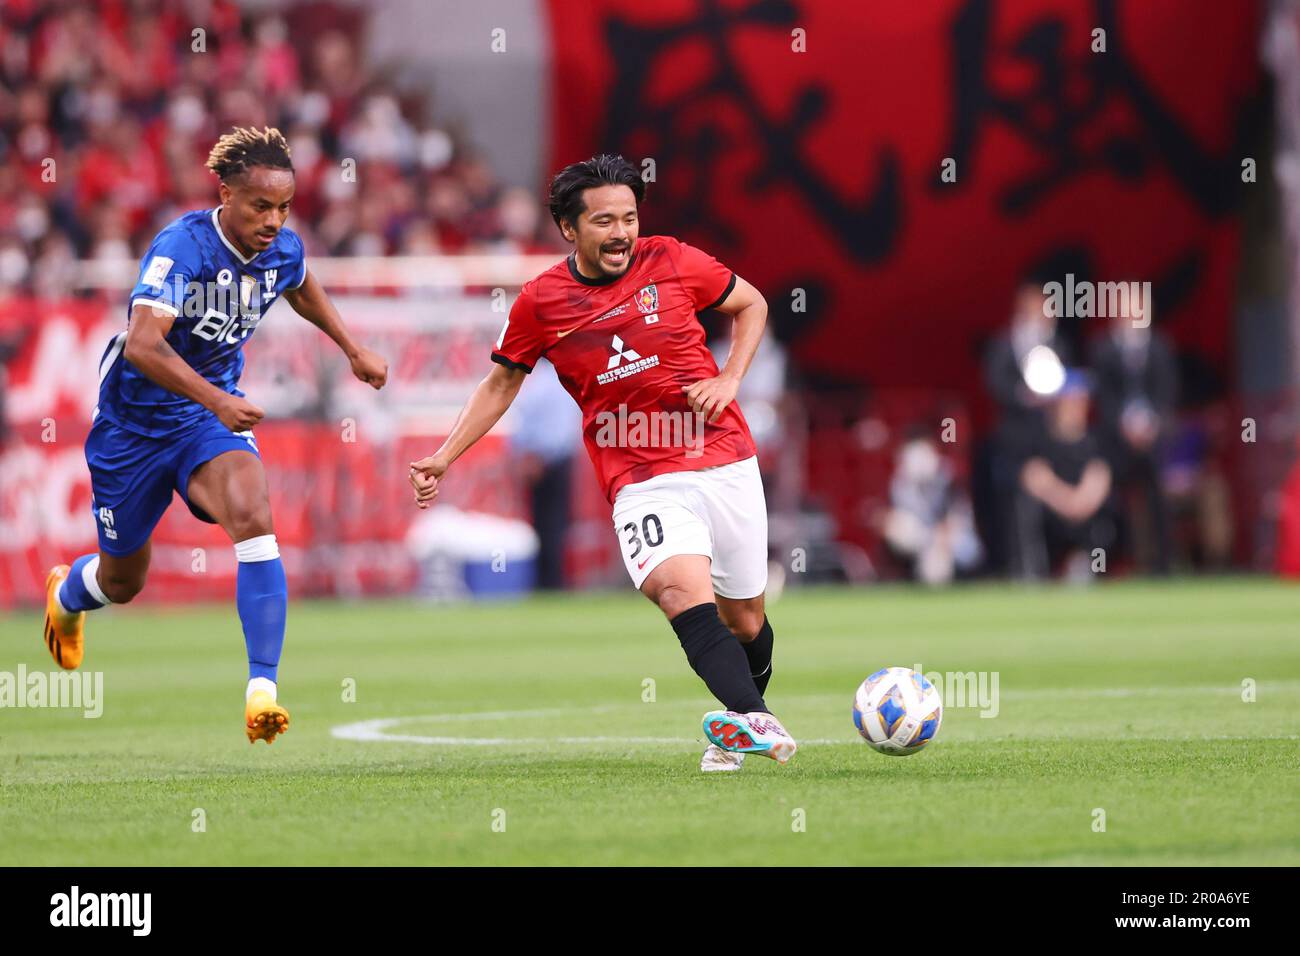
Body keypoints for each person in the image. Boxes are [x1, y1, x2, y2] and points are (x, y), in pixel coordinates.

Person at [409, 154, 794, 771]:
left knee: (745, 620)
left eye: (629, 218)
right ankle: (758, 722)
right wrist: (444, 457)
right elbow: (501, 383)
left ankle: (738, 723)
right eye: (604, 222)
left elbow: (752, 304)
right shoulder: (541, 302)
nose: (621, 233)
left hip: (722, 457)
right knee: (677, 590)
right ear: (569, 228)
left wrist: (729, 377)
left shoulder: (670, 259)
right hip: (640, 478)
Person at [41, 127, 388, 744]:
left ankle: (262, 694)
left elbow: (300, 281)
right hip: (132, 428)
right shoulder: (182, 249)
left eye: (283, 208)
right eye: (260, 206)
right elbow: (144, 346)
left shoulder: (280, 248)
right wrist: (219, 398)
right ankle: (67, 596)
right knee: (124, 582)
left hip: (203, 425)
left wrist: (352, 346)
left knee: (255, 515)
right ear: (225, 193)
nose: (273, 221)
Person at [1089, 309, 1178, 573]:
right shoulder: (1102, 349)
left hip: (1154, 439)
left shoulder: (1160, 347)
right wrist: (1124, 426)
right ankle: (1110, 561)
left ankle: (1164, 564)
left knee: (1159, 496)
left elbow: (1168, 391)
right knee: (1107, 496)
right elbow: (1103, 396)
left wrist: (1152, 425)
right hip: (1116, 440)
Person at [1014, 371, 1114, 580]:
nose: (1076, 406)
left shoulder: (1097, 441)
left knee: (1106, 518)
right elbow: (1034, 476)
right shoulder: (1039, 440)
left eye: (1081, 399)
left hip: (1087, 513)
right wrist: (1065, 500)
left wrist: (1080, 502)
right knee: (1027, 508)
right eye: (1071, 399)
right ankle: (1034, 570)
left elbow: (1099, 477)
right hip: (1053, 511)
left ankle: (1095, 569)